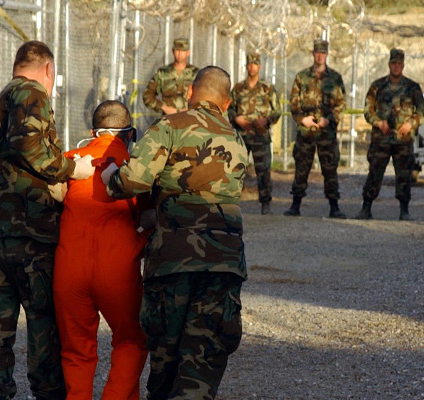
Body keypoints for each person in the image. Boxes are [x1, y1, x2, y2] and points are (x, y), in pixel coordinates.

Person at [0, 40, 95, 399]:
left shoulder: (3, 101)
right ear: (48, 69)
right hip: (26, 233)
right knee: (44, 330)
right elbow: (28, 145)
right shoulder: (31, 92)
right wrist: (71, 169)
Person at [102, 66, 247, 400]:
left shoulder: (170, 126)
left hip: (174, 258)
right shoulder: (238, 141)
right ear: (226, 103)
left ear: (189, 93)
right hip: (223, 261)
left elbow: (134, 180)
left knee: (166, 357)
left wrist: (111, 177)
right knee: (203, 356)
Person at [53, 101, 149, 399]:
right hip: (117, 270)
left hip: (69, 269)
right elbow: (150, 218)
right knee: (131, 341)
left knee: (76, 350)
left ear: (93, 132)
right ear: (130, 134)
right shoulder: (136, 169)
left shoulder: (70, 161)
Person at [355, 48, 424, 221]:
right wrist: (379, 122)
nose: (396, 66)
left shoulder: (412, 87)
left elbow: (422, 111)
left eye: (399, 63)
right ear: (389, 64)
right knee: (375, 173)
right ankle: (366, 208)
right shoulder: (377, 86)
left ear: (403, 65)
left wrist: (410, 124)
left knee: (404, 175)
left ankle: (404, 210)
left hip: (403, 140)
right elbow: (368, 110)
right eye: (393, 63)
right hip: (381, 139)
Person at [284, 39, 347, 218]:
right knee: (302, 167)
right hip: (306, 132)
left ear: (327, 55)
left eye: (323, 53)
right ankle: (295, 204)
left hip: (326, 132)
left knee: (330, 168)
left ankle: (334, 206)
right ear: (313, 54)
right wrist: (302, 119)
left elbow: (341, 104)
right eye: (317, 53)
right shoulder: (302, 77)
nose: (320, 56)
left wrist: (329, 120)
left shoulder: (335, 78)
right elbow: (294, 103)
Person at [229, 52, 282, 215]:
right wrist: (236, 118)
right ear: (246, 66)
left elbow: (277, 110)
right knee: (236, 169)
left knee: (263, 170)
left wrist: (266, 120)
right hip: (242, 136)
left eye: (255, 64)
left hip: (260, 136)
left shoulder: (267, 88)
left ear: (259, 66)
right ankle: (232, 203)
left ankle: (265, 203)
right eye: (250, 64)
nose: (252, 67)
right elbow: (229, 108)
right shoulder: (238, 88)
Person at [142, 38, 199, 116]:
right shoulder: (163, 73)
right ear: (173, 51)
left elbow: (203, 96)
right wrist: (164, 108)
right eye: (177, 50)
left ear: (188, 52)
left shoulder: (196, 73)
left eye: (183, 51)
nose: (180, 54)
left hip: (190, 118)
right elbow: (147, 95)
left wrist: (191, 108)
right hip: (168, 118)